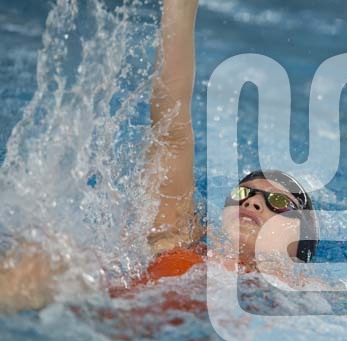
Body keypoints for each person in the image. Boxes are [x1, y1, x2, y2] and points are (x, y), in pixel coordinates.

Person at [0, 0, 318, 312]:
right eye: (243, 194)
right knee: (50, 259)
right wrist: (180, 7)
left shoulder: (303, 296)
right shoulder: (178, 239)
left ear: (301, 249)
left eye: (279, 203)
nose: (252, 203)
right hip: (96, 318)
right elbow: (171, 133)